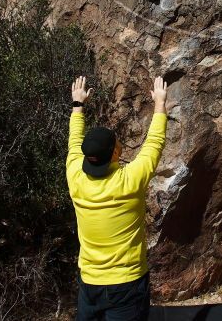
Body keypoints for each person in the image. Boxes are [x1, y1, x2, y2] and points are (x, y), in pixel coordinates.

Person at [67, 75, 168, 321]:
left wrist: (78, 105)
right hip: (127, 285)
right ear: (115, 152)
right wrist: (160, 104)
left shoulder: (75, 177)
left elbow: (73, 144)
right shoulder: (129, 180)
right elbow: (154, 143)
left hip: (89, 283)